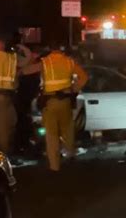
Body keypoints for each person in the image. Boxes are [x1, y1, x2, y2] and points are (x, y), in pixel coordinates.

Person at [32, 42, 88, 171]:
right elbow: (84, 77)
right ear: (62, 51)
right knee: (68, 130)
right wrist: (74, 89)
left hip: (50, 102)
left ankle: (54, 167)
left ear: (50, 50)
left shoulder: (45, 62)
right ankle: (70, 156)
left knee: (51, 135)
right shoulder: (69, 62)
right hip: (65, 101)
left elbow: (30, 70)